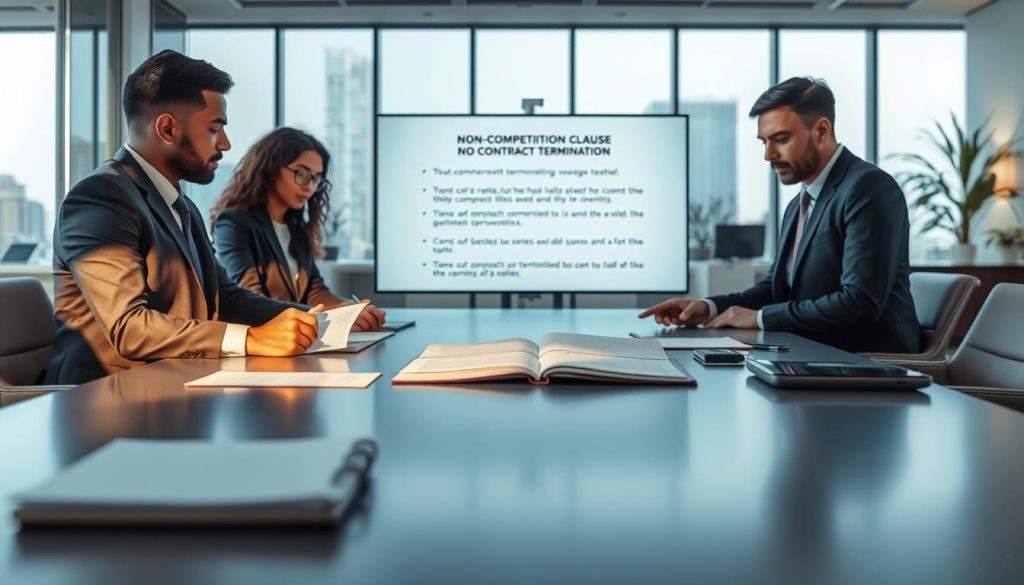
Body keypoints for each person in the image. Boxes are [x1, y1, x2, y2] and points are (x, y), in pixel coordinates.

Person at [47, 50, 325, 385]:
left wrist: (314, 320)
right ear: (167, 128)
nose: (225, 143)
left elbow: (227, 297)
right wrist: (250, 340)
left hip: (177, 387)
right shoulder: (99, 198)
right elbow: (129, 326)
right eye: (214, 129)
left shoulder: (181, 205)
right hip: (104, 403)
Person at [640, 77, 920, 354]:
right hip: (809, 351)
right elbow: (774, 290)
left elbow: (859, 303)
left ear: (821, 130)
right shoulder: (799, 205)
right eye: (764, 142)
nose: (768, 155)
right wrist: (707, 307)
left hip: (866, 361)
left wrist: (761, 318)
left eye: (781, 139)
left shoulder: (868, 188)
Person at [209, 127, 384, 330]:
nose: (309, 186)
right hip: (265, 342)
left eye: (316, 178)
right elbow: (250, 299)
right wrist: (333, 318)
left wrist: (352, 310)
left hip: (301, 340)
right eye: (301, 174)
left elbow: (315, 292)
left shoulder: (296, 227)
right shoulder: (233, 222)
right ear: (271, 168)